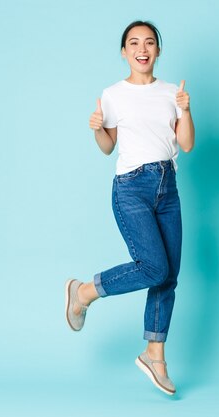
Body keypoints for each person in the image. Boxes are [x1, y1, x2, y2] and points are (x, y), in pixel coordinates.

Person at [65, 20, 194, 396]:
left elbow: (185, 144)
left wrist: (185, 110)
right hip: (131, 188)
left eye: (149, 42)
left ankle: (155, 355)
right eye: (134, 43)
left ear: (158, 50)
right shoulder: (113, 95)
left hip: (167, 187)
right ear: (124, 52)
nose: (142, 48)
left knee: (168, 276)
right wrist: (96, 129)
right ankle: (84, 292)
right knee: (154, 267)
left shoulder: (173, 92)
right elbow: (108, 147)